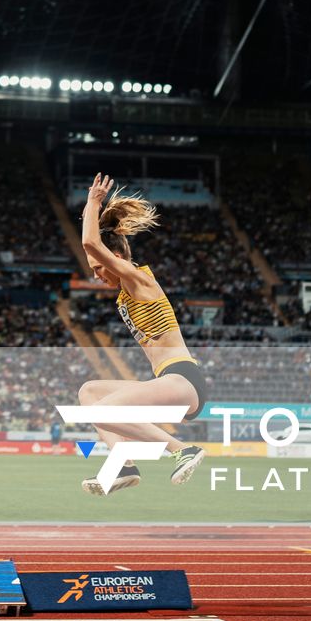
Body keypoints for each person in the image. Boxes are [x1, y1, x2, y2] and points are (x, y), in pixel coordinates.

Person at [75, 173, 207, 495]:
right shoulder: (126, 291)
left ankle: (182, 449)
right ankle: (124, 465)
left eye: (98, 267)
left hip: (183, 380)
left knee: (104, 410)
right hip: (169, 381)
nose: (96, 275)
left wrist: (93, 203)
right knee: (89, 393)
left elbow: (90, 242)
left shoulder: (138, 278)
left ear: (117, 259)